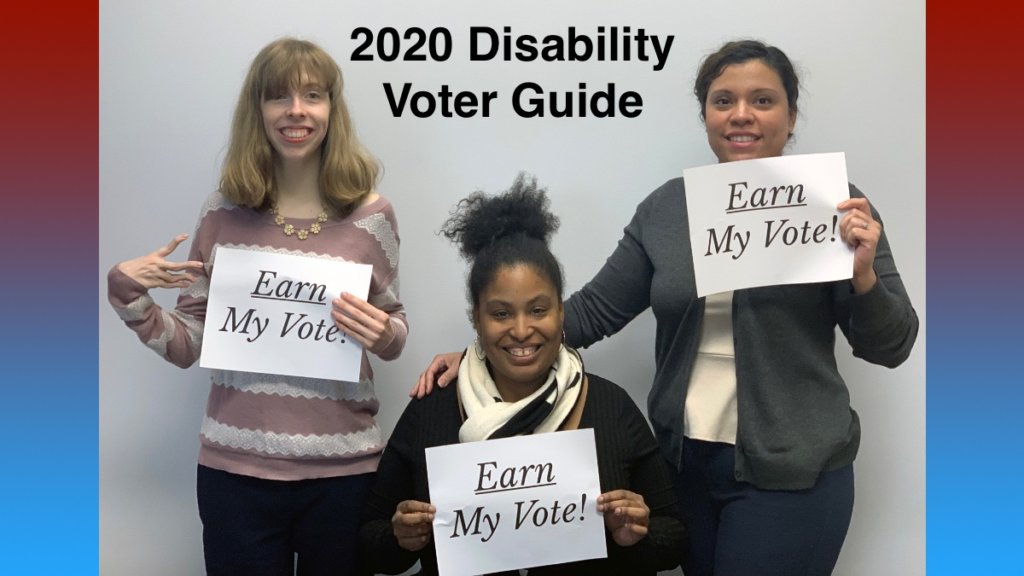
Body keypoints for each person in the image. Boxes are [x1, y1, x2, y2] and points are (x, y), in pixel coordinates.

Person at [414, 40, 919, 576]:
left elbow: (892, 344)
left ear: (791, 116)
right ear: (705, 114)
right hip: (686, 468)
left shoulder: (836, 204)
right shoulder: (666, 211)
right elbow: (591, 313)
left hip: (792, 473)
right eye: (724, 100)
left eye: (762, 100)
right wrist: (480, 354)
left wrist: (862, 274)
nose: (741, 114)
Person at [107, 38, 407, 575]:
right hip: (235, 476)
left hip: (345, 474)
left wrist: (386, 336)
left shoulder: (373, 216)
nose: (296, 110)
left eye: (312, 95)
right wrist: (130, 296)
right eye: (278, 97)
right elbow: (191, 345)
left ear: (332, 110)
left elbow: (394, 327)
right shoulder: (222, 212)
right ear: (258, 111)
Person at [359, 174, 685, 575]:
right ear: (475, 320)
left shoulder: (611, 407)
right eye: (500, 314)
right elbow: (369, 542)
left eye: (538, 310)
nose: (520, 330)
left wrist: (638, 531)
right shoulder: (434, 408)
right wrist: (399, 537)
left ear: (561, 313)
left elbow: (675, 539)